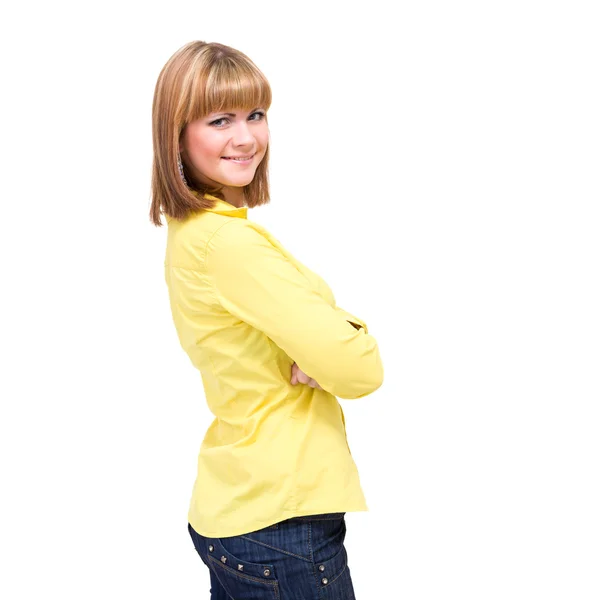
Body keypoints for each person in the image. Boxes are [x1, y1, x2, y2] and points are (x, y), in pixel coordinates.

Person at [149, 40, 384, 599]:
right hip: (280, 521)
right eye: (219, 119)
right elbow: (360, 371)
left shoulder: (199, 233)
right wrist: (340, 338)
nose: (246, 136)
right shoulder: (230, 245)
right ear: (176, 135)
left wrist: (321, 341)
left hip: (242, 508)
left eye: (255, 114)